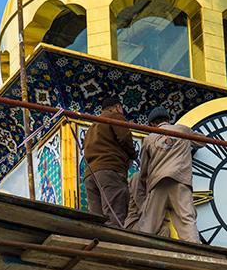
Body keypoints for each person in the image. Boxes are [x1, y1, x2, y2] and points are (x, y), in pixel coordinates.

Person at [135, 107, 201, 242]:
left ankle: (140, 245)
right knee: (186, 218)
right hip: (180, 180)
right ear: (168, 119)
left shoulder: (149, 139)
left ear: (152, 124)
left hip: (157, 183)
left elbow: (144, 170)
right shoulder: (182, 130)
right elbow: (202, 141)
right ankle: (194, 247)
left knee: (149, 221)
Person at [82, 96, 136, 226]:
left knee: (96, 220)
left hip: (90, 175)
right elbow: (125, 138)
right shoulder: (115, 116)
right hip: (109, 170)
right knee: (114, 215)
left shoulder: (92, 127)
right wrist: (132, 154)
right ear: (118, 107)